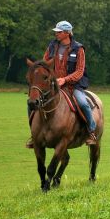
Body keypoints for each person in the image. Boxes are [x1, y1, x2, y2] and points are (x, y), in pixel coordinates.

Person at [26, 20, 97, 148]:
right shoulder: (52, 46)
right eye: (56, 32)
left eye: (58, 32)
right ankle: (34, 135)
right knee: (31, 103)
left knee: (83, 103)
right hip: (53, 85)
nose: (56, 34)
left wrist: (65, 79)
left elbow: (80, 71)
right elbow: (45, 64)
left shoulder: (79, 49)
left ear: (67, 33)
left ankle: (91, 132)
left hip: (73, 85)